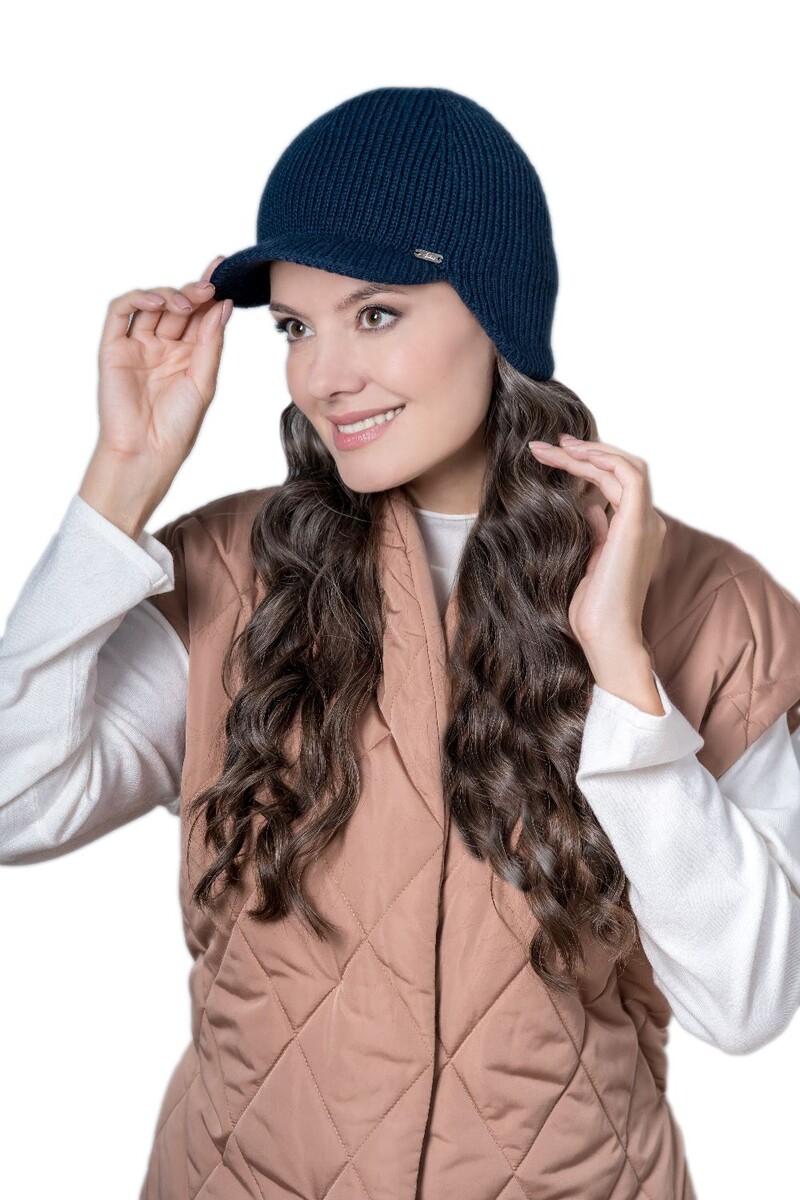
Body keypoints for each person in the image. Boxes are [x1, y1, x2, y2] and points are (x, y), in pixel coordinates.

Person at [2, 85, 800, 1199]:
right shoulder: (231, 573)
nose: (322, 376)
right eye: (295, 327)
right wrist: (120, 484)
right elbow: (14, 803)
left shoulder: (707, 605)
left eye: (374, 314)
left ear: (498, 315)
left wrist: (622, 669)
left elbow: (747, 1001)